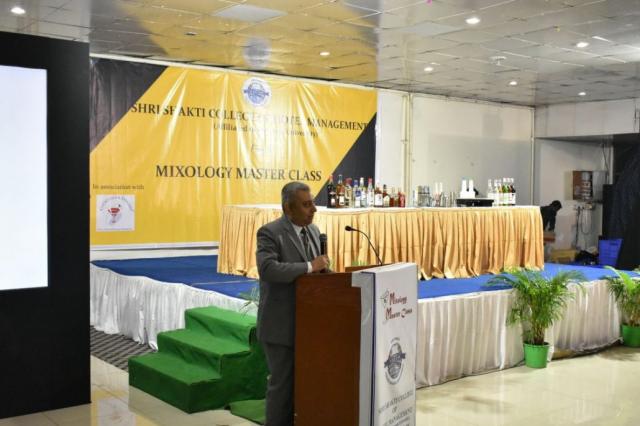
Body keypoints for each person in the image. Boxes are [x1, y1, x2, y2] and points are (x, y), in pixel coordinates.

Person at [256, 181, 329, 425]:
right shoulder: (270, 232)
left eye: (312, 203)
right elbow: (268, 269)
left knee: (307, 385)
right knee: (282, 388)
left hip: (309, 326)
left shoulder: (314, 231)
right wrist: (310, 266)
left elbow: (320, 271)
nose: (314, 209)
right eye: (306, 205)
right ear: (288, 208)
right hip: (281, 326)